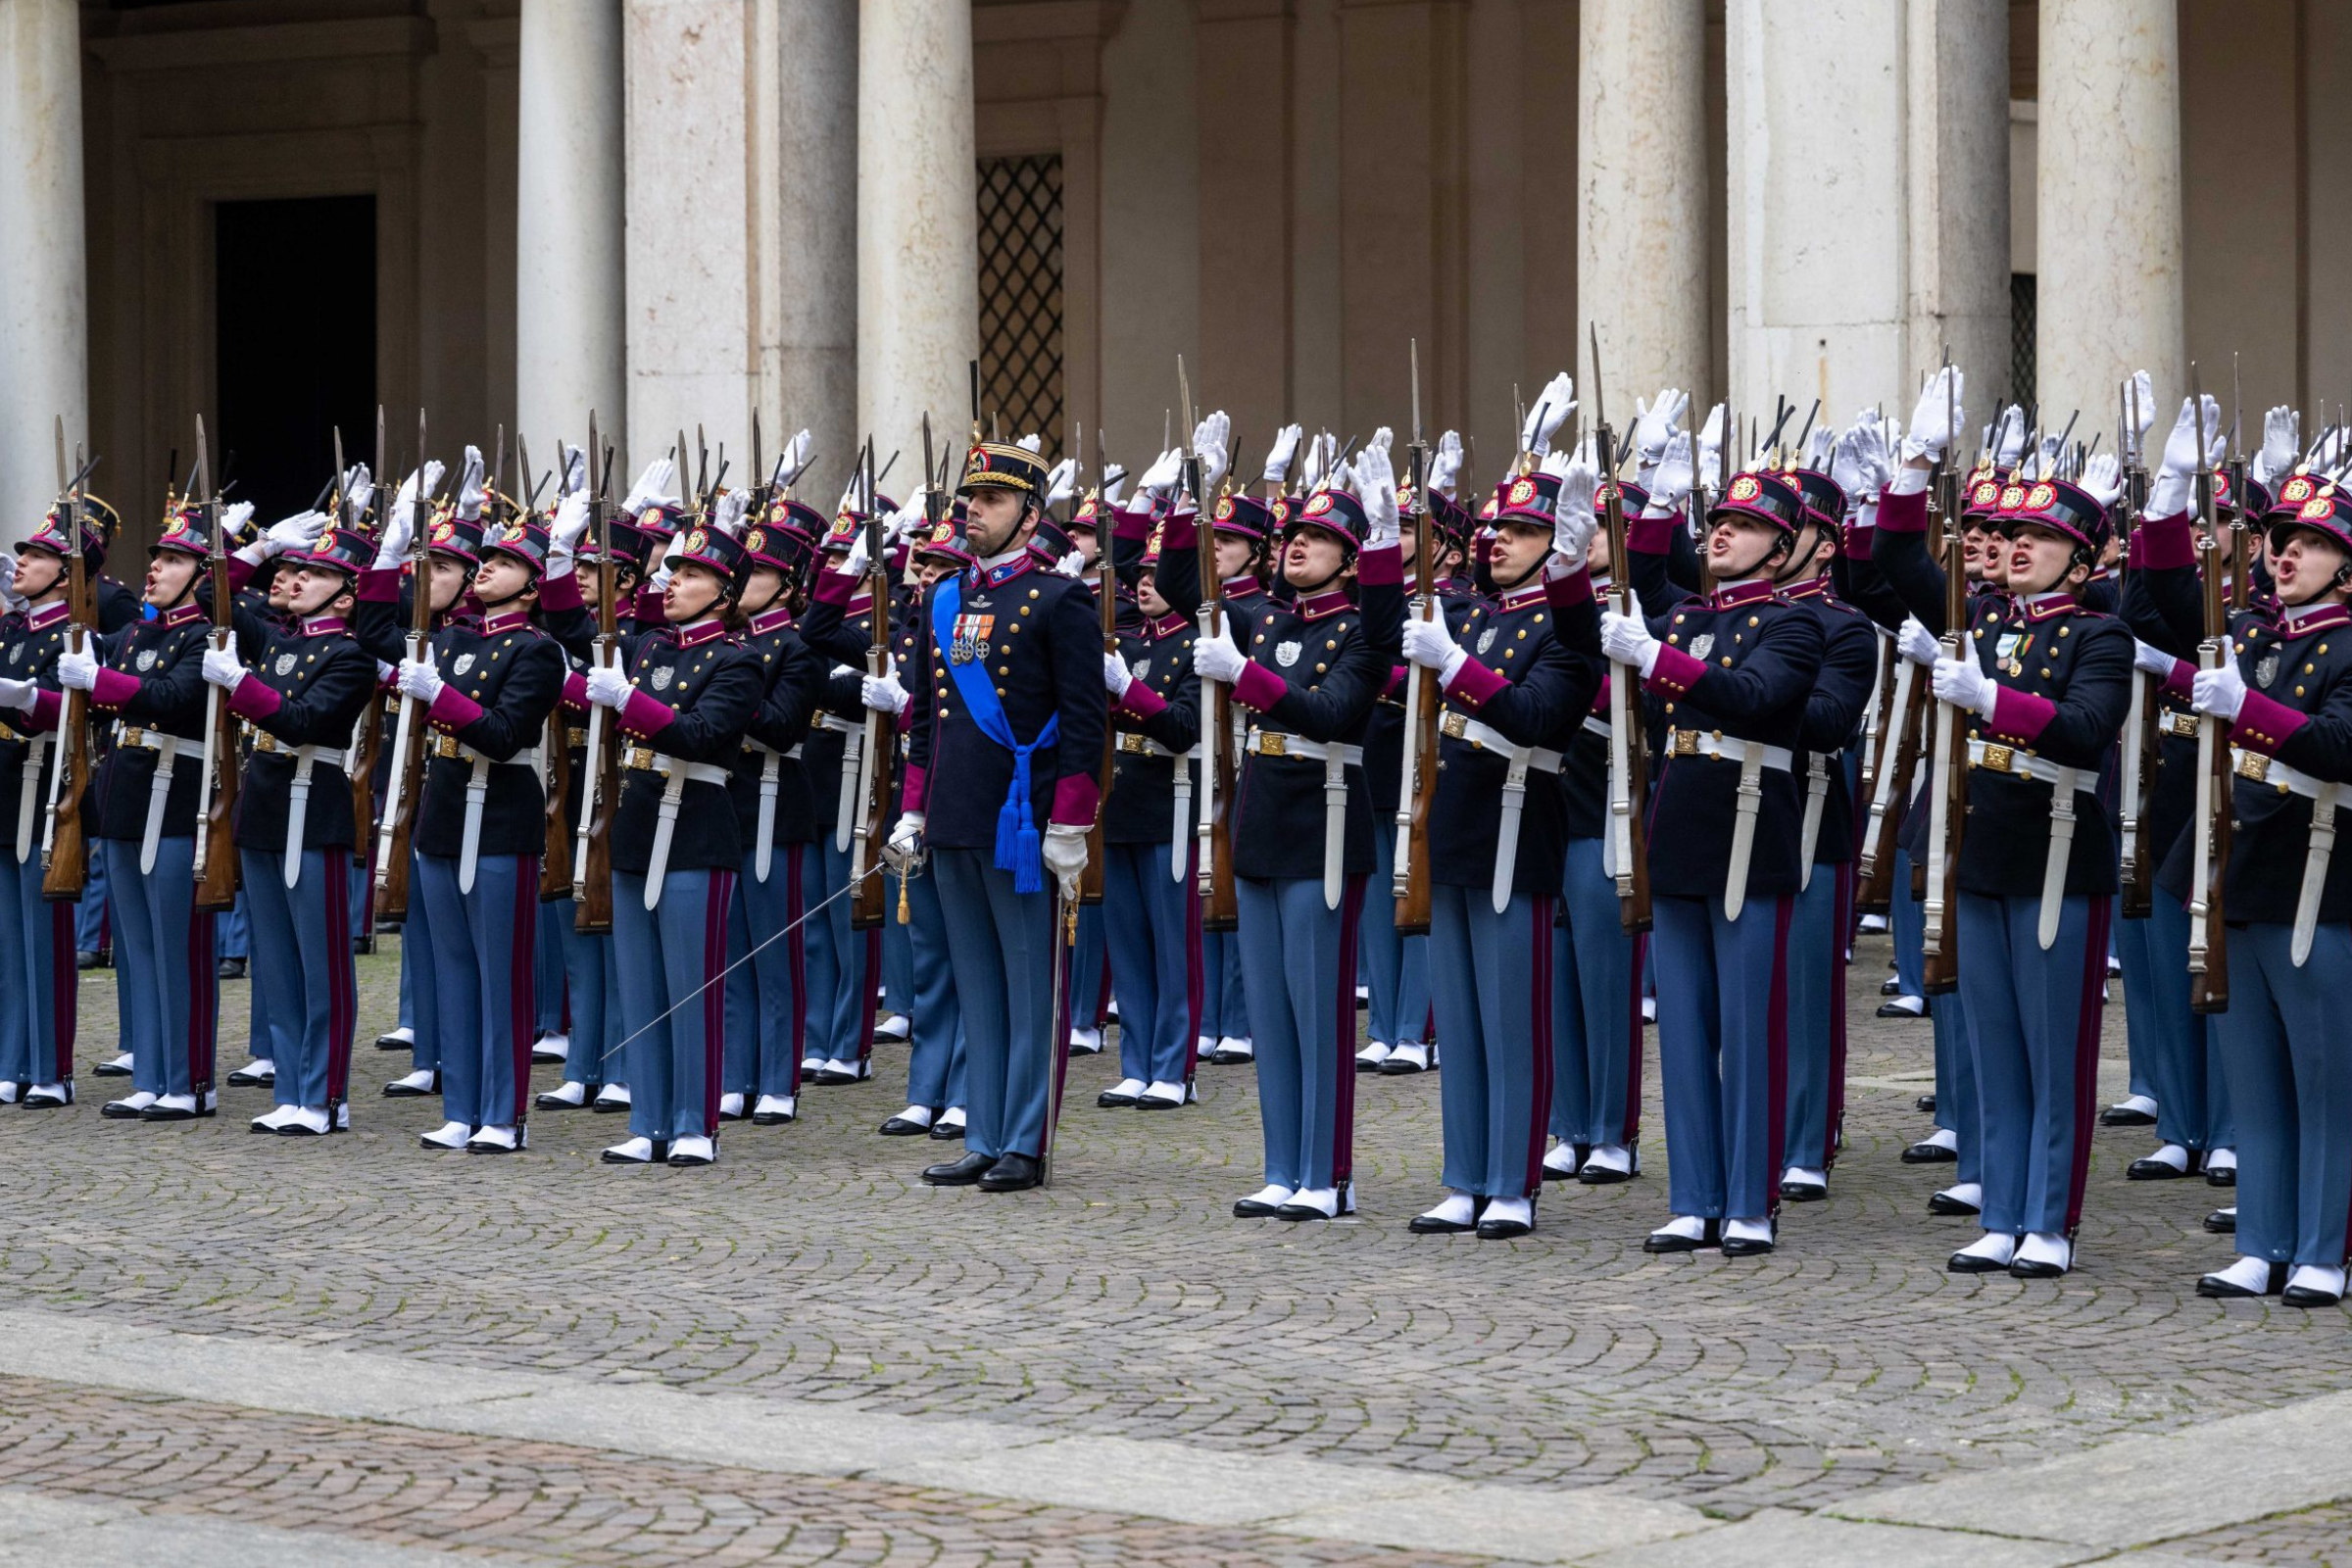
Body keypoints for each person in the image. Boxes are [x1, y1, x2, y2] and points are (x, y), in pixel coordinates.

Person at [1879, 366, 2132, 1279]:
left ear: (2086, 558)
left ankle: (2050, 1222)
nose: (2019, 546)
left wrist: (1990, 695)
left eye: (2043, 536)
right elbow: (1898, 565)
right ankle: (2007, 1210)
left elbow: (2085, 729)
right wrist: (1915, 466)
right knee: (1994, 1042)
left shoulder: (2099, 636)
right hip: (1984, 846)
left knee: (2053, 1048)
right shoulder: (1980, 616)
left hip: (2060, 850)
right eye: (2014, 533)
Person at [1603, 433, 1826, 1258]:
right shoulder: (1691, 618)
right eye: (1719, 520)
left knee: (1749, 1025)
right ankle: (1693, 1195)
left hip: (1749, 830)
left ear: (1784, 543)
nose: (1725, 532)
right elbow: (1641, 588)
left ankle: (1749, 1198)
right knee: (1686, 1028)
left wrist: (1658, 658)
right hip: (1684, 829)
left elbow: (1754, 697)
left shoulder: (1796, 626)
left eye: (1746, 523)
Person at [885, 439, 1107, 1195]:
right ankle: (982, 1133)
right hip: (954, 816)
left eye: (991, 500)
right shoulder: (942, 599)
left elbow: (1084, 725)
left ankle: (1026, 1140)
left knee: (1029, 988)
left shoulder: (1059, 599)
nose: (972, 511)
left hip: (1024, 823)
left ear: (1029, 514)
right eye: (967, 500)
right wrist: (913, 808)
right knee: (976, 986)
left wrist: (1071, 823)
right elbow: (925, 724)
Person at [1192, 446, 1405, 1220]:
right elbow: (1194, 589)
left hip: (1324, 822)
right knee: (1273, 1014)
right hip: (1262, 823)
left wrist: (1384, 538)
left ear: (1349, 561)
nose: (1296, 548)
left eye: (1317, 540)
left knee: (1317, 1012)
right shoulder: (1271, 617)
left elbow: (1327, 713)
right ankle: (1283, 1165)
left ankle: (1328, 1175)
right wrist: (1198, 501)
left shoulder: (1361, 635)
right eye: (1293, 538)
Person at [1397, 450, 1602, 1239]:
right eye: (1496, 529)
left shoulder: (1563, 626)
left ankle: (1512, 1181)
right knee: (1462, 1018)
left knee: (1513, 1017)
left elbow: (1537, 716)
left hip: (1521, 824)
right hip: (1459, 822)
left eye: (1522, 530)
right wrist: (1386, 538)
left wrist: (1453, 664)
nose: (1499, 542)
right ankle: (1465, 1174)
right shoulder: (1475, 614)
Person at [2173, 462, 2352, 1307]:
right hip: (2239, 868)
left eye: (2313, 544)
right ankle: (2261, 1241)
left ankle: (2323, 1247)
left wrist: (2245, 705)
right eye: (2284, 540)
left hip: (2318, 875)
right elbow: (2162, 609)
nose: (2288, 555)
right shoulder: (2249, 634)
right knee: (2255, 1079)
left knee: (2326, 1079)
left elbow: (2334, 747)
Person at [377, 484, 567, 1153]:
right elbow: (376, 624)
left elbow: (506, 734)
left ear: (535, 586)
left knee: (501, 974)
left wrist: (442, 698)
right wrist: (393, 548)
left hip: (500, 820)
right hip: (445, 816)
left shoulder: (537, 651)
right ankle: (460, 1106)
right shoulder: (450, 639)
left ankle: (502, 1113)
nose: (484, 566)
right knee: (451, 970)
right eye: (482, 559)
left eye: (505, 562)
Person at [60, 497, 251, 1120]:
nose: (156, 568)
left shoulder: (209, 637)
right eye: (157, 558)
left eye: (172, 560)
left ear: (201, 576)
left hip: (175, 799)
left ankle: (190, 1080)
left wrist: (101, 681)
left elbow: (172, 696)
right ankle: (150, 1070)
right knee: (137, 948)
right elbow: (89, 630)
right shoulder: (141, 631)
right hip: (124, 798)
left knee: (179, 948)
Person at [582, 514, 763, 1167]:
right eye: (672, 571)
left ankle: (695, 1122)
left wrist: (628, 702)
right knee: (641, 986)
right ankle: (648, 1119)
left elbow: (701, 734)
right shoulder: (651, 649)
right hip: (638, 820)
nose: (672, 582)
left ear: (722, 592)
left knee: (692, 988)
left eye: (689, 575)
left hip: (696, 828)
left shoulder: (738, 662)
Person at [203, 509, 382, 1135]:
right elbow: (209, 594)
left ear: (348, 590)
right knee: (276, 960)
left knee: (322, 960)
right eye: (297, 568)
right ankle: (290, 1086)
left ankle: (326, 1095)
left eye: (316, 572)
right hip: (266, 808)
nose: (298, 579)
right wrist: (257, 547)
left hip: (316, 807)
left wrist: (242, 685)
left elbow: (304, 722)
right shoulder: (281, 640)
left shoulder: (352, 656)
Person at [1098, 514, 1206, 1111]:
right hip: (1122, 799)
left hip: (1172, 798)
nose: (1142, 582)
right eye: (1138, 572)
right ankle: (1135, 1063)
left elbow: (1183, 729)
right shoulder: (1127, 641)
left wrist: (1129, 693)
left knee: (1172, 944)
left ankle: (1174, 1066)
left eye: (1154, 573)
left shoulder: (1194, 643)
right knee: (1129, 946)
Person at [0, 504, 105, 1107]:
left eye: (37, 557)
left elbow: (77, 714)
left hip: (45, 788)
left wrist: (26, 699)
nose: (22, 564)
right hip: (7, 782)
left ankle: (51, 1067)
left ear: (66, 575)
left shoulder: (77, 637)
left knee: (45, 938)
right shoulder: (15, 629)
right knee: (9, 938)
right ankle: (11, 1059)